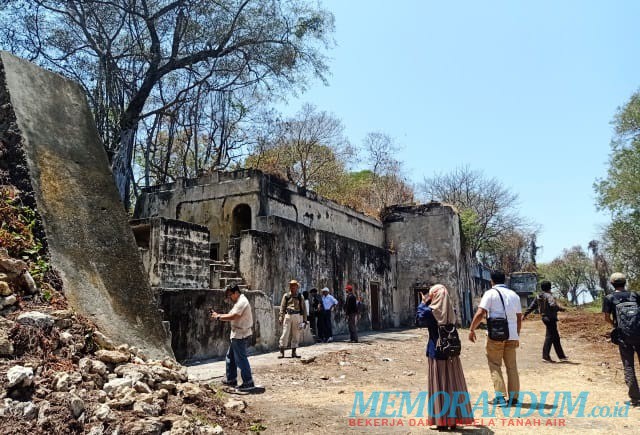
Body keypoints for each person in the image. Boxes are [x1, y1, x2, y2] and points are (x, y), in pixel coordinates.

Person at [416, 284, 474, 430]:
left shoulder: (430, 312)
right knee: (452, 385)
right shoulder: (451, 311)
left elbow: (419, 318)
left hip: (436, 352)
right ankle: (453, 420)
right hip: (452, 352)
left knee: (439, 385)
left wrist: (423, 302)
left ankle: (441, 421)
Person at [468, 270, 522, 406]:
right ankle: (514, 398)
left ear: (491, 281)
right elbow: (519, 317)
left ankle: (500, 397)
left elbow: (481, 313)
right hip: (512, 335)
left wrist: (472, 329)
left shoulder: (490, 293)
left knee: (495, 365)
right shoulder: (514, 295)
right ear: (504, 280)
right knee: (512, 367)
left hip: (496, 335)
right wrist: (516, 334)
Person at [603, 272, 640, 407]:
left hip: (624, 336)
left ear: (612, 283)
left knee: (628, 365)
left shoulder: (609, 298)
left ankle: (635, 398)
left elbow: (607, 317)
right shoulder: (635, 295)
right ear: (625, 282)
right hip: (639, 332)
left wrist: (615, 326)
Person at [210, 283, 255, 391]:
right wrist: (218, 315)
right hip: (237, 334)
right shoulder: (239, 302)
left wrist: (218, 317)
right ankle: (231, 379)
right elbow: (231, 315)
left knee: (241, 359)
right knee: (231, 357)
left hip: (241, 335)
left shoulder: (242, 302)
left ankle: (248, 382)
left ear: (236, 293)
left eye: (230, 295)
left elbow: (234, 316)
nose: (229, 297)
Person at [523, 280, 568, 362]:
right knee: (550, 337)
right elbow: (553, 305)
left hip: (544, 318)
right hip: (551, 319)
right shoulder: (549, 296)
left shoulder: (538, 296)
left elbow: (532, 307)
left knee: (555, 337)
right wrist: (561, 309)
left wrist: (525, 314)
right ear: (550, 287)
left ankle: (561, 356)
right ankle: (546, 356)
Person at [278, 279, 307, 358]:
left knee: (296, 334)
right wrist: (281, 317)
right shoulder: (286, 296)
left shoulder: (300, 296)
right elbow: (282, 307)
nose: (292, 287)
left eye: (294, 285)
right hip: (288, 315)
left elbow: (304, 309)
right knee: (285, 333)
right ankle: (282, 351)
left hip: (297, 315)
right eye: (291, 285)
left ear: (297, 287)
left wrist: (305, 320)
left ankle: (294, 352)